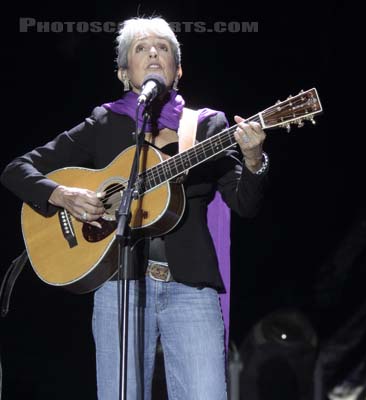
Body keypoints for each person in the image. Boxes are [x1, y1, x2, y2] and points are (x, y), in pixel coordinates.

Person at [1, 16, 268, 399]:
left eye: (163, 47)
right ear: (124, 74)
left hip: (189, 287)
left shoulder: (208, 127)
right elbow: (16, 170)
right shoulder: (105, 121)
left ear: (178, 71)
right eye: (141, 48)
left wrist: (255, 159)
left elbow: (245, 204)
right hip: (117, 285)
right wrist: (63, 195)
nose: (153, 52)